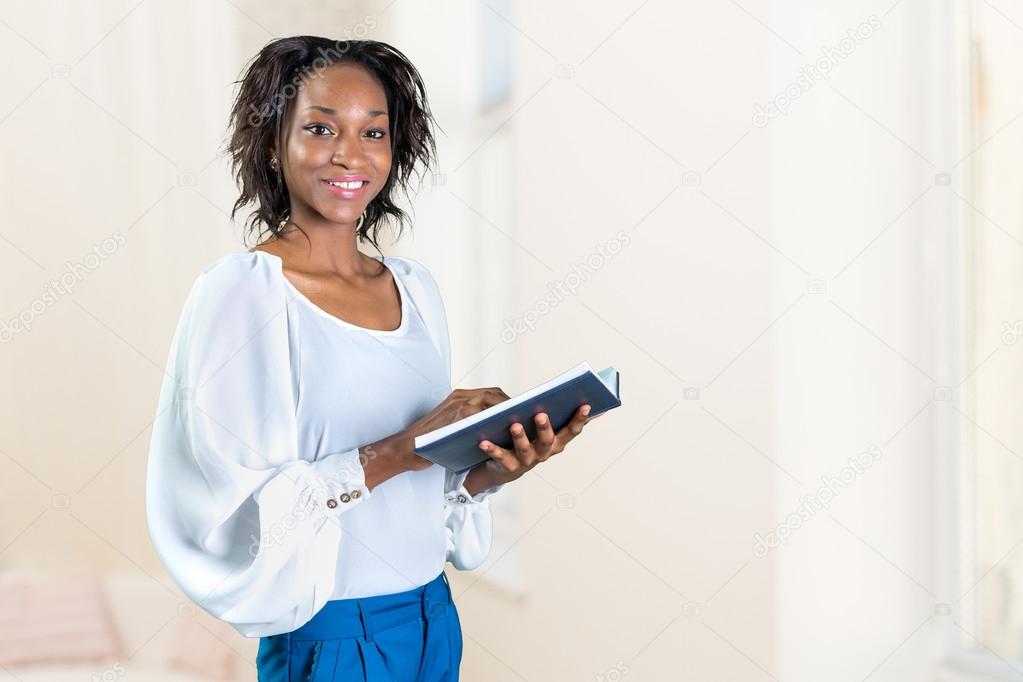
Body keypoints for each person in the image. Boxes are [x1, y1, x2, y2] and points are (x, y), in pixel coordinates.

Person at [145, 37, 600, 681]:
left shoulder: (415, 289)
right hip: (330, 640)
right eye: (321, 127)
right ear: (275, 145)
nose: (348, 153)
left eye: (373, 132)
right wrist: (401, 449)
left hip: (433, 622)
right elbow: (229, 514)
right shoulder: (242, 294)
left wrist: (489, 470)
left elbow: (419, 499)